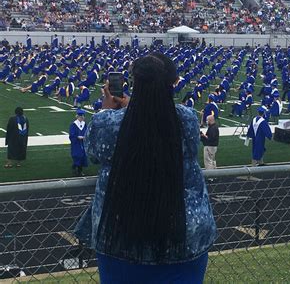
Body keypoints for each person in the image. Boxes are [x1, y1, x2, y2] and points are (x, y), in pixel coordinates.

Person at [75, 53, 216, 283]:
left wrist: (107, 110)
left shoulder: (108, 123)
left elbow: (92, 151)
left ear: (134, 83)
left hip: (121, 236)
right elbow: (158, 118)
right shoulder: (188, 119)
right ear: (175, 82)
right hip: (186, 236)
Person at [69, 109, 88, 176]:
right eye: (81, 116)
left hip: (83, 143)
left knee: (83, 156)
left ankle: (79, 170)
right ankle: (75, 167)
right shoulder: (73, 124)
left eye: (83, 116)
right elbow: (72, 134)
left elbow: (87, 131)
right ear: (78, 117)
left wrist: (86, 137)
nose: (82, 117)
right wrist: (77, 137)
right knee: (77, 155)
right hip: (76, 143)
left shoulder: (84, 124)